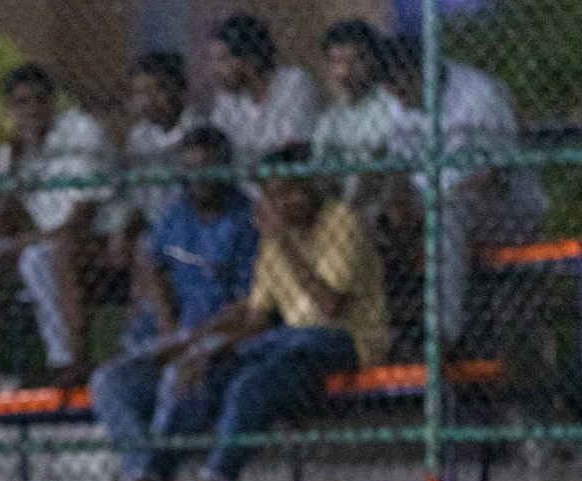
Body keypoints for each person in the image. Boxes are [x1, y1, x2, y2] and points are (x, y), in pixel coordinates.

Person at [140, 144, 388, 481]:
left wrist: (282, 243)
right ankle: (151, 480)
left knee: (252, 384)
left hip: (344, 339)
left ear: (311, 187)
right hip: (287, 342)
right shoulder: (275, 239)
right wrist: (210, 353)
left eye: (291, 192)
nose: (284, 203)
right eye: (274, 196)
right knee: (203, 376)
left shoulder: (341, 221)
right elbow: (257, 317)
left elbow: (329, 306)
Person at [91, 127, 260, 481]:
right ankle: (147, 478)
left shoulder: (247, 218)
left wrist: (189, 343)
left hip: (226, 344)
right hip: (181, 336)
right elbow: (153, 264)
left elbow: (252, 306)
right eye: (190, 169)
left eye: (208, 168)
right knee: (109, 382)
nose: (198, 179)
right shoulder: (178, 210)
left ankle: (151, 479)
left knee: (175, 378)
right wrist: (170, 330)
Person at [382, 36, 548, 346]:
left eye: (401, 87)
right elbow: (399, 167)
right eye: (390, 89)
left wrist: (431, 204)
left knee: (446, 215)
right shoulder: (396, 102)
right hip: (435, 208)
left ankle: (442, 337)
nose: (397, 99)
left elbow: (494, 178)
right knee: (370, 218)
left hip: (507, 212)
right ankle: (385, 340)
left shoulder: (478, 93)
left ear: (421, 72)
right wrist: (397, 201)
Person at [0, 63, 115, 384]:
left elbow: (83, 216)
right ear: (10, 107)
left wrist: (25, 241)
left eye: (40, 100)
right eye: (21, 103)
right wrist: (12, 165)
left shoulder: (80, 132)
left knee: (38, 258)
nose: (32, 110)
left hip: (96, 236)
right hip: (42, 237)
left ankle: (66, 361)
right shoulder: (15, 147)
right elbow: (3, 226)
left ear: (52, 102)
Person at [312, 20, 402, 220]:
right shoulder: (330, 119)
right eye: (337, 62)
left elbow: (380, 165)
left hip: (384, 204)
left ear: (373, 60)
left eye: (355, 60)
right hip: (342, 210)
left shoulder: (390, 103)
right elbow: (322, 172)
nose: (345, 71)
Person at [210, 15, 320, 168]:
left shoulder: (293, 83)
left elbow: (293, 148)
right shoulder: (227, 101)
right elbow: (216, 152)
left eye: (222, 59)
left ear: (248, 58)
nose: (216, 70)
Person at [126, 52, 204, 235]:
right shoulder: (139, 136)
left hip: (191, 227)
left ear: (179, 89)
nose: (148, 100)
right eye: (142, 93)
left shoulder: (198, 131)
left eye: (159, 89)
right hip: (152, 227)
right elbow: (138, 198)